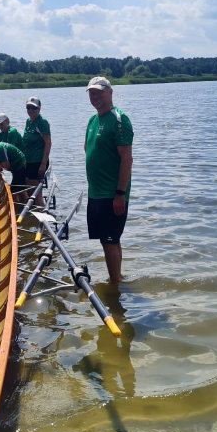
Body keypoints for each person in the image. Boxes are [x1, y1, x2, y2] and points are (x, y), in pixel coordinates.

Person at [84, 77, 133, 284]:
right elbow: (87, 148)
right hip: (95, 192)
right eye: (91, 93)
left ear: (110, 92)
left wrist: (120, 193)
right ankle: (118, 279)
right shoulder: (93, 120)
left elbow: (127, 159)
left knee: (109, 241)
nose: (95, 96)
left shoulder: (119, 120)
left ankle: (114, 287)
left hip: (111, 194)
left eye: (99, 92)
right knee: (109, 241)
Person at [22, 96, 51, 208]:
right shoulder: (28, 122)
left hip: (38, 162)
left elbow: (48, 143)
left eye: (34, 108)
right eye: (28, 107)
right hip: (28, 162)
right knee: (28, 191)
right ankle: (33, 216)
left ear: (39, 109)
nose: (31, 110)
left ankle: (43, 219)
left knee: (36, 194)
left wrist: (43, 164)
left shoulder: (42, 122)